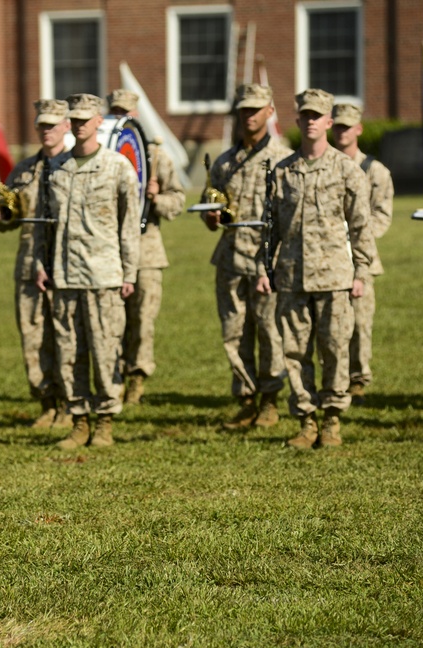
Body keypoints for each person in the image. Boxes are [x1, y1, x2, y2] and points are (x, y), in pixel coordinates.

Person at [256, 89, 375, 449]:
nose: (310, 121)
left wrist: (361, 272)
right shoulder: (282, 171)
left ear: (328, 122)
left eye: (317, 116)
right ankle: (307, 421)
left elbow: (361, 226)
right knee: (294, 351)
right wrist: (265, 269)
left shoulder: (347, 170)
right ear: (298, 120)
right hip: (291, 277)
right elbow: (270, 228)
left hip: (335, 277)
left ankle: (332, 421)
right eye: (305, 115)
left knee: (335, 349)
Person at [33, 92, 140, 450]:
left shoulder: (117, 166)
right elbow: (45, 226)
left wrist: (130, 273)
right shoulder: (57, 169)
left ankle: (105, 421)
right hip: (64, 275)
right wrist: (41, 264)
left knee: (106, 349)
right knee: (69, 351)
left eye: (85, 119)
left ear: (99, 122)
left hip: (104, 275)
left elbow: (129, 225)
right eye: (74, 119)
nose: (80, 125)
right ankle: (79, 421)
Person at [203, 83, 293, 429]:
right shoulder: (224, 162)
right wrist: (211, 216)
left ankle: (270, 400)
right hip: (229, 259)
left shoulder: (283, 159)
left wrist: (275, 263)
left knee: (269, 331)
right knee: (234, 332)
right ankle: (246, 398)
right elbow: (211, 205)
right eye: (244, 109)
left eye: (256, 109)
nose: (249, 115)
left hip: (267, 261)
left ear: (269, 112)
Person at [0, 99, 73, 428]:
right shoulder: (24, 170)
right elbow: (10, 216)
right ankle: (47, 403)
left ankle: (69, 404)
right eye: (42, 125)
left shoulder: (76, 166)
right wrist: (1, 215)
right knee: (33, 336)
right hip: (28, 264)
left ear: (66, 126)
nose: (46, 130)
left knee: (66, 335)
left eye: (53, 124)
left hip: (66, 263)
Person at [106, 89, 186, 405]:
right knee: (113, 320)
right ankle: (113, 376)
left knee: (142, 319)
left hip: (146, 252)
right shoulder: (105, 155)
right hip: (110, 251)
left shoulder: (155, 157)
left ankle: (137, 378)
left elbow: (178, 201)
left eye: (126, 112)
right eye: (115, 112)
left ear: (136, 116)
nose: (121, 118)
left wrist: (156, 198)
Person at [331, 103, 395, 405]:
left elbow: (382, 215)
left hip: (361, 258)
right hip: (328, 257)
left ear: (359, 129)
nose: (342, 132)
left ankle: (358, 378)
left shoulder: (375, 171)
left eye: (348, 126)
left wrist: (357, 233)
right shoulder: (326, 164)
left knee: (360, 321)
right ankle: (335, 377)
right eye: (338, 126)